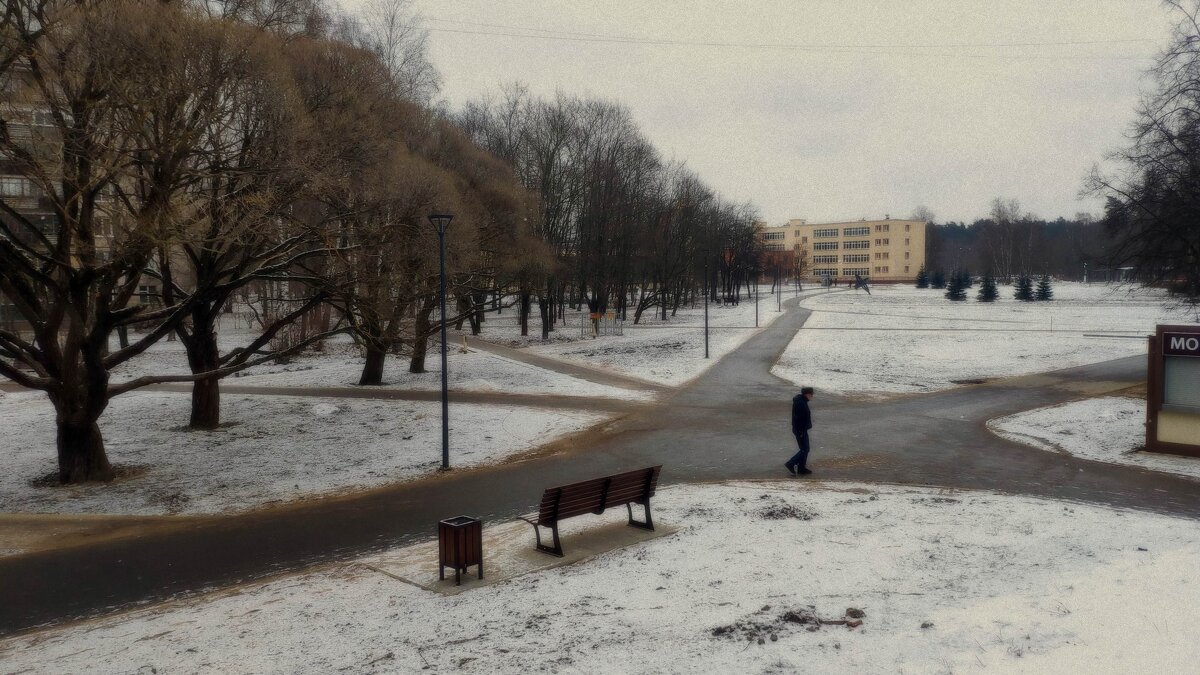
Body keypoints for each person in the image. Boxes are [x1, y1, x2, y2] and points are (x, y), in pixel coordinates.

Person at [785, 387, 814, 475]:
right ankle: (791, 463)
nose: (812, 396)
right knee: (805, 449)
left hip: (800, 429)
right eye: (811, 394)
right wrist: (801, 431)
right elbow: (799, 418)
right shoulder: (801, 403)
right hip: (800, 429)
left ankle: (801, 468)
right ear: (807, 394)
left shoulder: (801, 401)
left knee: (804, 449)